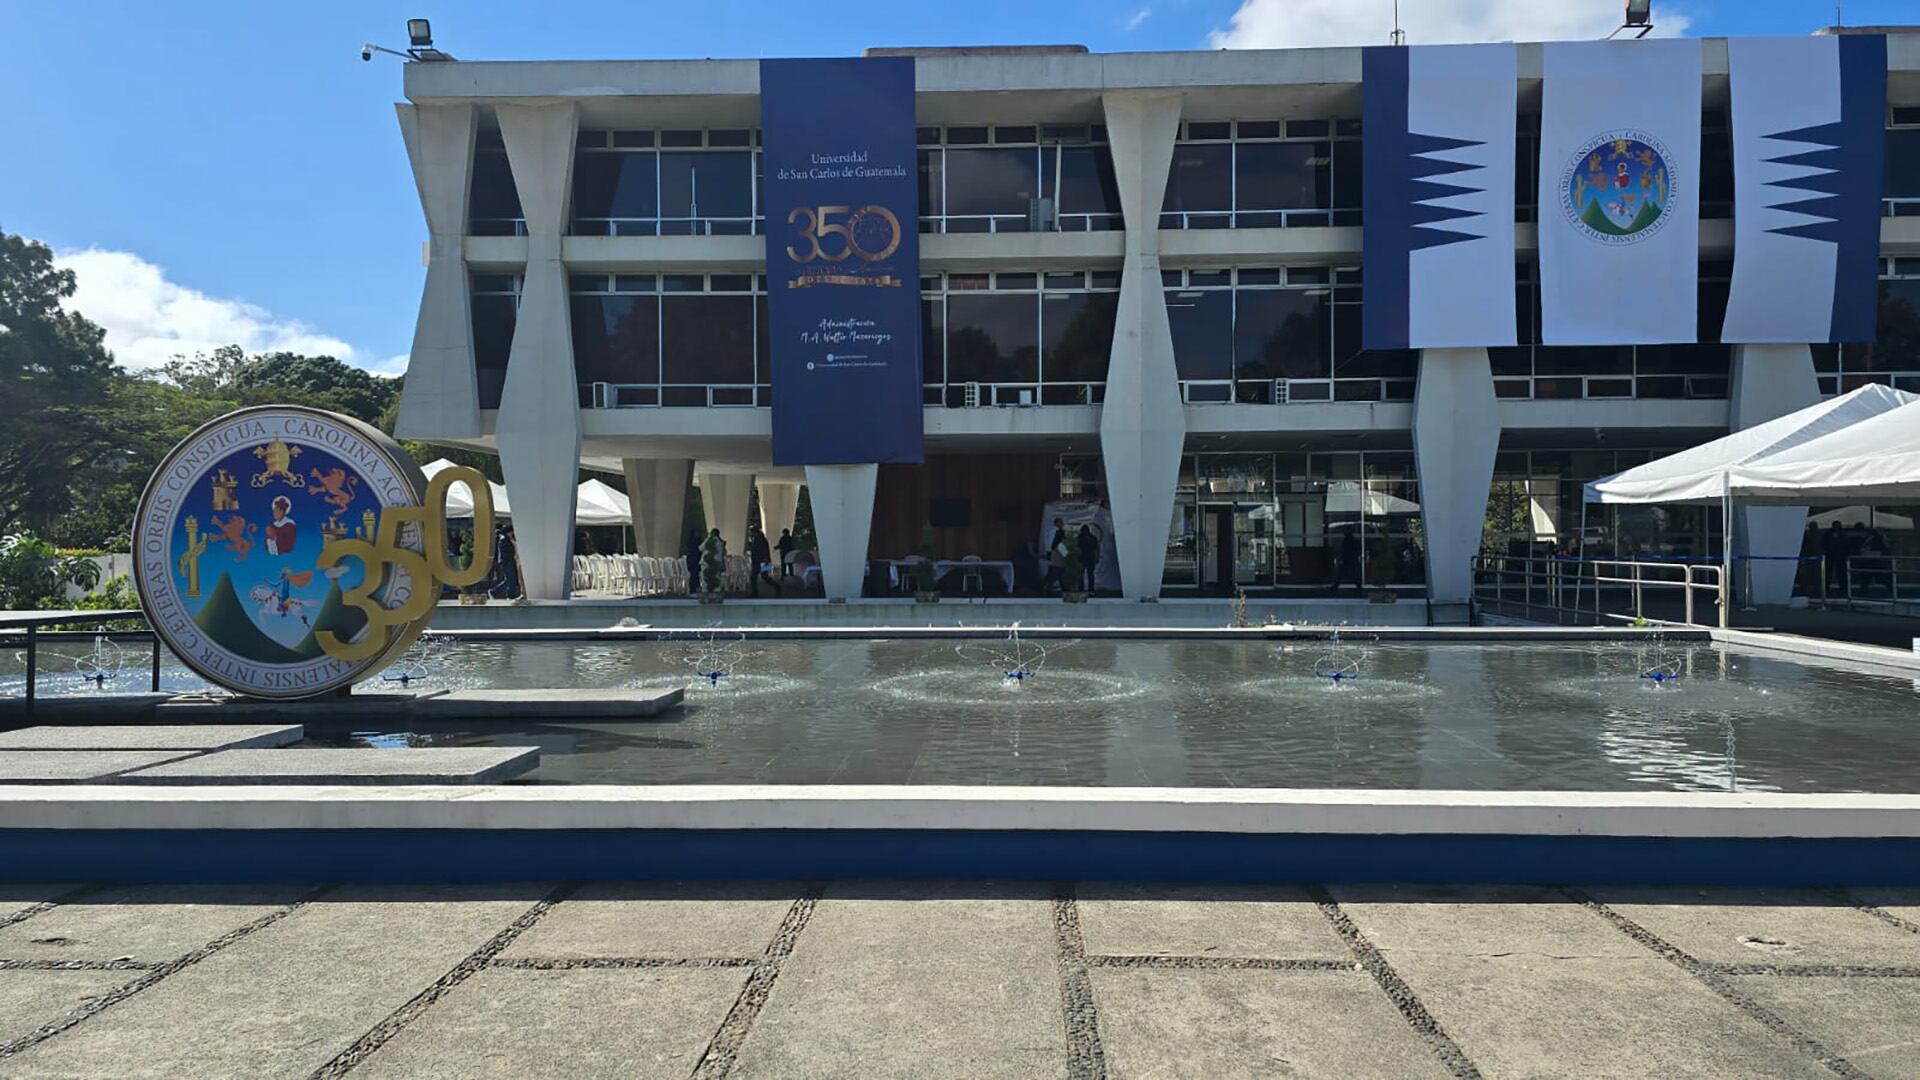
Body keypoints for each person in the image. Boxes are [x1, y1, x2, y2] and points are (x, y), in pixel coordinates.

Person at [747, 525, 778, 595]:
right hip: (759, 561)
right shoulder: (759, 539)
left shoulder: (760, 540)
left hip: (760, 561)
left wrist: (765, 559)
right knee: (762, 577)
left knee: (756, 577)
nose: (751, 534)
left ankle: (755, 592)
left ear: (755, 532)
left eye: (751, 532)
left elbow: (763, 550)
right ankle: (776, 587)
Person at [1077, 524, 1100, 593]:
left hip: (1081, 558)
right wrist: (1097, 557)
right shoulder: (1093, 538)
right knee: (1090, 575)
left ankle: (1081, 589)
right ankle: (1091, 589)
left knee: (1081, 575)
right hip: (1091, 558)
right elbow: (1097, 549)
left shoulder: (1079, 538)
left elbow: (1076, 549)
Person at [1044, 530, 1068, 594]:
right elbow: (1066, 554)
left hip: (1054, 564)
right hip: (1060, 565)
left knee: (1051, 580)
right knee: (1061, 581)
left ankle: (1046, 591)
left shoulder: (1054, 544)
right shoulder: (1061, 545)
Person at [684, 528, 703, 596]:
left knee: (696, 576)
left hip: (696, 560)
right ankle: (693, 590)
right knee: (693, 576)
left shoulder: (698, 541)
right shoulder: (692, 542)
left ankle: (696, 589)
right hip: (693, 561)